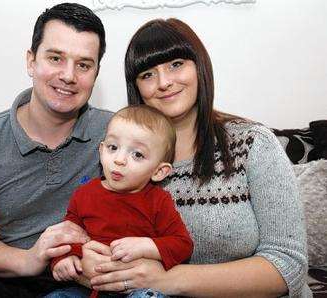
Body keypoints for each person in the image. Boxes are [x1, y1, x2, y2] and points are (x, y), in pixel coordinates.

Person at [82, 18, 311, 297]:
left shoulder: (252, 143)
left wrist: (167, 279)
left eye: (176, 64)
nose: (164, 82)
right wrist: (89, 260)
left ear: (199, 67)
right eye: (147, 74)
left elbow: (288, 264)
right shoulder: (122, 158)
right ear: (137, 88)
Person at [0, 3, 113, 297]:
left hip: (83, 277)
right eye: (56, 58)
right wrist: (31, 258)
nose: (68, 75)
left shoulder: (114, 133)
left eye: (84, 64)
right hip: (9, 276)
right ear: (31, 61)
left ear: (95, 73)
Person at [45, 105, 193, 298]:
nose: (120, 160)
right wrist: (65, 259)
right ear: (101, 150)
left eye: (137, 154)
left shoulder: (158, 201)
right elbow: (69, 236)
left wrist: (146, 246)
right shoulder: (84, 194)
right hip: (88, 287)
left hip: (136, 288)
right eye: (113, 147)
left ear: (159, 171)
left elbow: (183, 245)